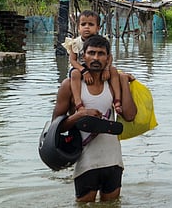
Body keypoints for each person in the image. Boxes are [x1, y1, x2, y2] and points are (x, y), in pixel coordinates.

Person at [52, 35, 137, 203]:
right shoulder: (70, 85)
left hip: (113, 161)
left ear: (108, 58)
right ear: (83, 56)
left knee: (113, 205)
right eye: (91, 53)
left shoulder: (114, 83)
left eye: (101, 54)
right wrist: (80, 115)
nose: (96, 58)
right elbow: (56, 127)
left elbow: (129, 115)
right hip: (86, 163)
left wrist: (124, 82)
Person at [62, 10, 122, 114]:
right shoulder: (75, 43)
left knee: (113, 70)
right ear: (78, 27)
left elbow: (109, 57)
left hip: (98, 67)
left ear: (98, 28)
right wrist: (84, 71)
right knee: (75, 74)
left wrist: (107, 68)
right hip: (79, 68)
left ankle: (117, 101)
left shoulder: (102, 41)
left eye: (91, 24)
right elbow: (72, 60)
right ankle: (78, 103)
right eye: (83, 24)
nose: (87, 27)